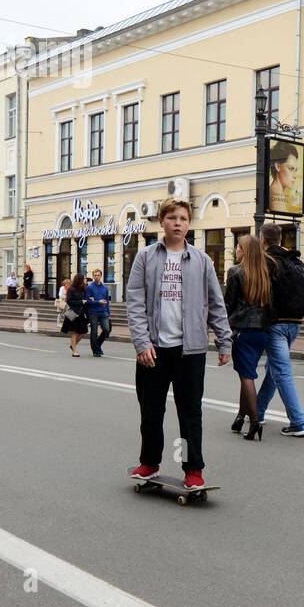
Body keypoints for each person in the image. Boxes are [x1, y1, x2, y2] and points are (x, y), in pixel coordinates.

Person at [125, 198, 232, 491]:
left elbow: (215, 304)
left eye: (183, 218)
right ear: (162, 222)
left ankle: (193, 469)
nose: (177, 223)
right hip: (153, 351)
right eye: (172, 217)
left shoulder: (202, 261)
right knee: (151, 411)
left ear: (189, 224)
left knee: (189, 413)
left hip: (191, 350)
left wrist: (224, 341)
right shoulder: (145, 257)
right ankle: (149, 462)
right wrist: (141, 342)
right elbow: (134, 302)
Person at [255, 222, 304, 437]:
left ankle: (298, 422)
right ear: (280, 239)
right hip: (295, 323)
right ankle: (257, 412)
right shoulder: (298, 263)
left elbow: (258, 291)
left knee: (281, 372)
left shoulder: (267, 262)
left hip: (275, 325)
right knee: (274, 371)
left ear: (263, 240)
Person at [224, 234, 273, 440]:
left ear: (244, 250)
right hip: (261, 332)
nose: (236, 250)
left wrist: (222, 329)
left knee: (246, 377)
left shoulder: (235, 272)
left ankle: (254, 423)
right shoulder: (265, 272)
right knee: (248, 374)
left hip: (242, 331)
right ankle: (240, 416)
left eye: (238, 247)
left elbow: (229, 304)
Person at [268, 141, 303, 214]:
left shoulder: (277, 193)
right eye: (291, 169)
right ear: (278, 167)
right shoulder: (275, 194)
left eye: (295, 170)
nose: (294, 176)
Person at [84, 269, 112, 357]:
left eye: (98, 275)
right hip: (93, 312)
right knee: (94, 331)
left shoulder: (105, 288)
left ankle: (97, 345)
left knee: (107, 329)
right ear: (93, 276)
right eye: (95, 275)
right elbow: (88, 301)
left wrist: (108, 312)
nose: (96, 277)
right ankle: (95, 350)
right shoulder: (90, 287)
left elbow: (107, 301)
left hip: (103, 312)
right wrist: (98, 302)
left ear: (101, 276)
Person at [60, 273, 89, 357]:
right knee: (74, 333)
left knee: (83, 332)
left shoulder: (83, 288)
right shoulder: (71, 289)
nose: (84, 280)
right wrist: (81, 302)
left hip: (81, 313)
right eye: (83, 279)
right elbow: (69, 301)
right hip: (73, 313)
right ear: (79, 280)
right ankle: (74, 351)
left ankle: (73, 345)